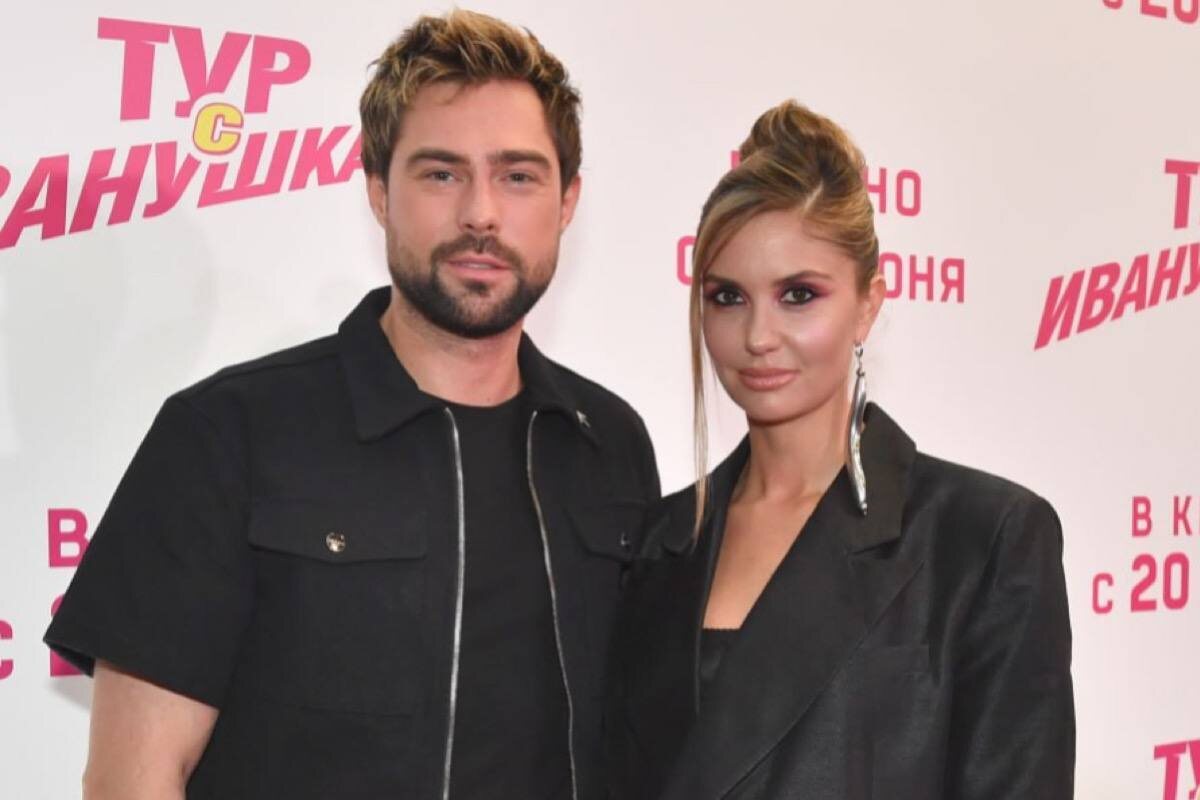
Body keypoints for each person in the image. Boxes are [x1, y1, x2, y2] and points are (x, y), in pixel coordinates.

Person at [44, 10, 658, 800]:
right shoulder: (229, 434)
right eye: (441, 173)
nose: (481, 213)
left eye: (518, 176)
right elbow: (133, 781)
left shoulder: (610, 445)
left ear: (567, 200)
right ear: (377, 191)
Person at [605, 101, 1074, 799]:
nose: (758, 336)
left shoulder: (984, 540)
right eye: (728, 297)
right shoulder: (657, 544)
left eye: (798, 295)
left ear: (867, 305)